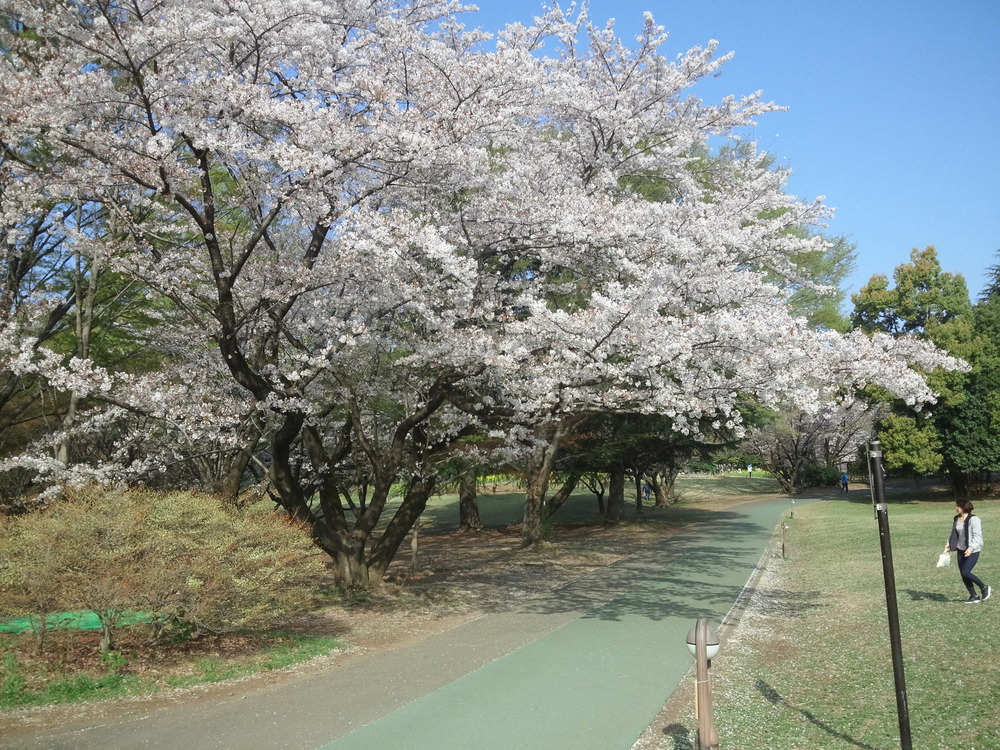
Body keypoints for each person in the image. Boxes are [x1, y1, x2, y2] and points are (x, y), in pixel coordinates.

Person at [944, 499, 991, 604]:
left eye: (958, 506)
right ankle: (974, 596)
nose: (956, 508)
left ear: (963, 507)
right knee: (963, 574)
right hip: (960, 550)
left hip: (972, 551)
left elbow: (977, 536)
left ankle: (984, 587)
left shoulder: (974, 519)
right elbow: (954, 533)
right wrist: (949, 544)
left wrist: (971, 548)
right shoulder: (956, 518)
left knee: (966, 572)